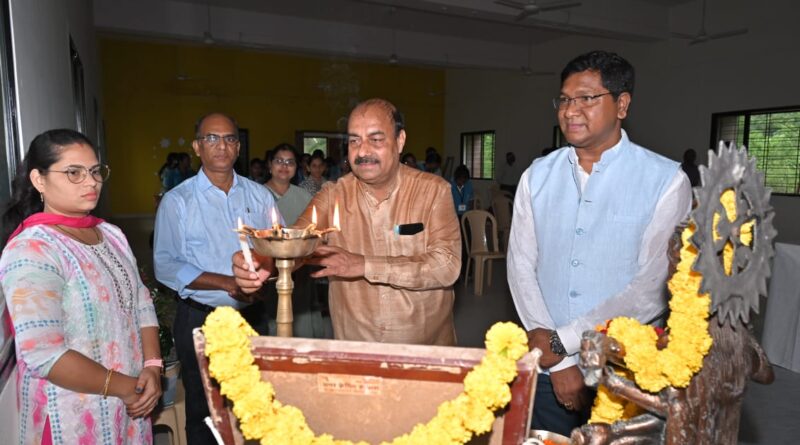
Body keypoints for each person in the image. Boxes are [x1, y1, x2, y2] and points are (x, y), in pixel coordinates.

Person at [507, 51, 692, 437]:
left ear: (622, 104)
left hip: (628, 367)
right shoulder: (537, 176)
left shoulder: (664, 179)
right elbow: (521, 266)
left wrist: (566, 340)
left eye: (587, 98)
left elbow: (651, 289)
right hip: (547, 368)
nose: (571, 110)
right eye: (564, 99)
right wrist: (558, 361)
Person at [234, 98, 461, 345]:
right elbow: (298, 239)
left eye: (375, 140)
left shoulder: (433, 191)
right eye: (354, 141)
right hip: (356, 345)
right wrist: (265, 260)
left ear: (400, 140)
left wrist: (364, 265)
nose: (363, 151)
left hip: (424, 347)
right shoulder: (334, 195)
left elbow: (446, 266)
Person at [0, 129, 161, 444]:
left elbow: (140, 301)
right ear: (39, 180)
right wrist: (129, 387)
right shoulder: (32, 249)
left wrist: (153, 367)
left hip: (131, 402)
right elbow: (44, 354)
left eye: (96, 171)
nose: (91, 182)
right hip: (73, 413)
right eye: (74, 172)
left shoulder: (111, 234)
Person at [153, 112, 279, 445]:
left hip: (251, 316)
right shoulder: (178, 201)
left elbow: (276, 250)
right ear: (197, 146)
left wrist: (265, 273)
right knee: (205, 410)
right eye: (212, 138)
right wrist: (227, 283)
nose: (221, 146)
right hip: (201, 318)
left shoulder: (259, 196)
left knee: (255, 404)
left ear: (238, 147)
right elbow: (166, 265)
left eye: (229, 139)